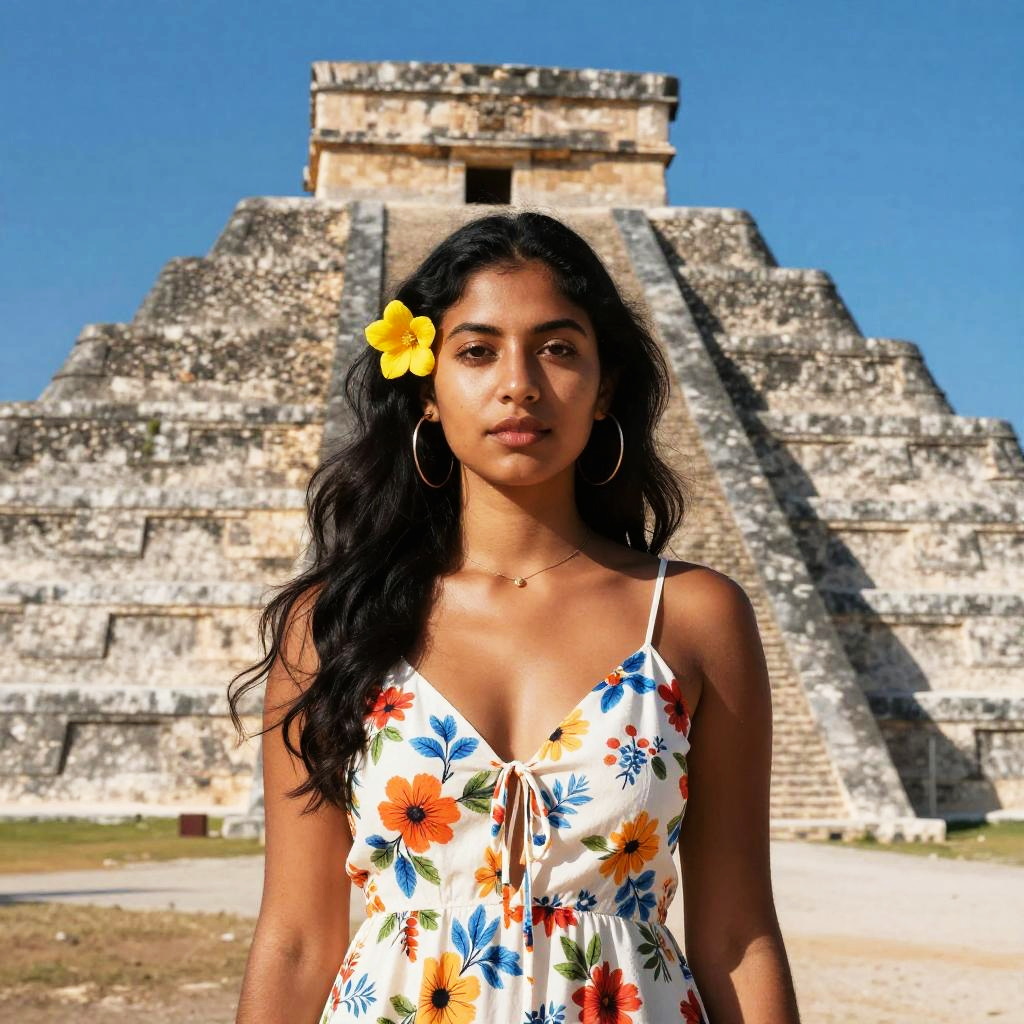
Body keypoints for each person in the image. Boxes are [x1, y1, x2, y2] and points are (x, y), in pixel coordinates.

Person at [231, 209, 801, 1024]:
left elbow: (739, 933)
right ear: (425, 387)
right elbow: (294, 939)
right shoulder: (333, 625)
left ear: (605, 387)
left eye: (559, 349)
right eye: (476, 350)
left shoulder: (693, 616)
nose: (519, 384)